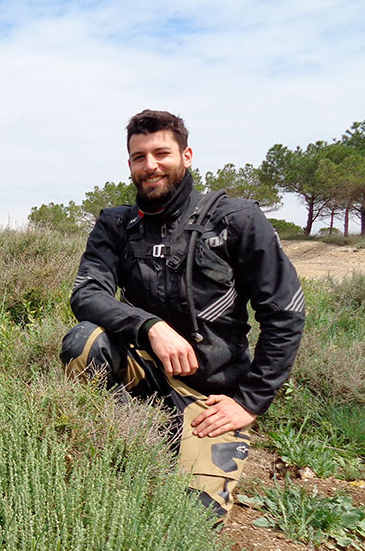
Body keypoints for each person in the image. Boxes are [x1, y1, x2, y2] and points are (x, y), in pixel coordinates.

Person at [61, 109, 305, 520]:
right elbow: (86, 293)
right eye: (140, 157)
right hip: (143, 372)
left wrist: (250, 402)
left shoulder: (236, 220)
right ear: (130, 165)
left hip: (211, 395)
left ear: (186, 155)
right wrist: (150, 326)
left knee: (193, 522)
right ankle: (118, 435)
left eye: (162, 153)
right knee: (84, 342)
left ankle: (186, 440)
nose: (150, 165)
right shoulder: (116, 224)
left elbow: (285, 313)